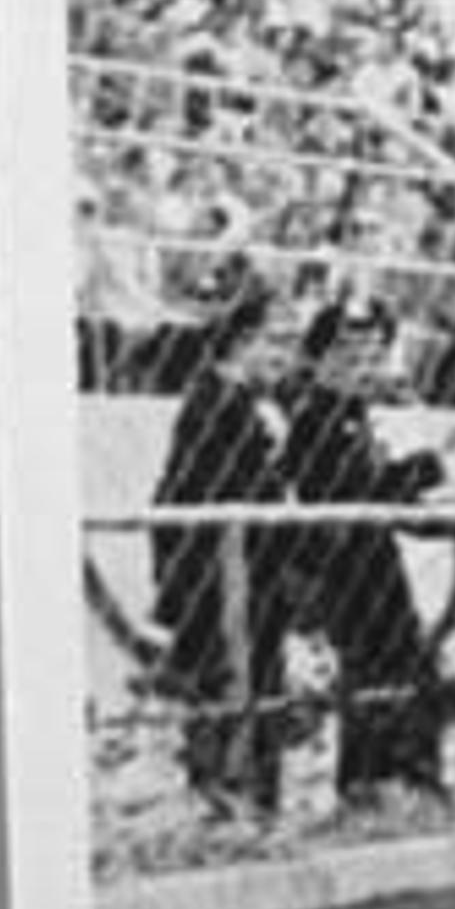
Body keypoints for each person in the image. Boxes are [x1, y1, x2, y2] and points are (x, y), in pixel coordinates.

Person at [276, 293, 455, 804]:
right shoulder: (314, 416)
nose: (365, 367)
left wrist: (430, 478)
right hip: (340, 562)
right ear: (321, 358)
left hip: (369, 555)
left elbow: (382, 489)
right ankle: (375, 781)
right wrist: (426, 465)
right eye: (351, 356)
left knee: (401, 665)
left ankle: (390, 779)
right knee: (378, 667)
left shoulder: (353, 412)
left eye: (374, 355)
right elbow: (353, 491)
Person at [148, 280, 305, 820]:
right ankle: (229, 804)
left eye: (292, 343)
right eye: (277, 341)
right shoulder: (214, 401)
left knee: (259, 691)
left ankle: (253, 804)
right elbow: (216, 490)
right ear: (242, 340)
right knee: (227, 693)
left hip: (251, 577)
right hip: (218, 579)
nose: (287, 356)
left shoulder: (251, 402)